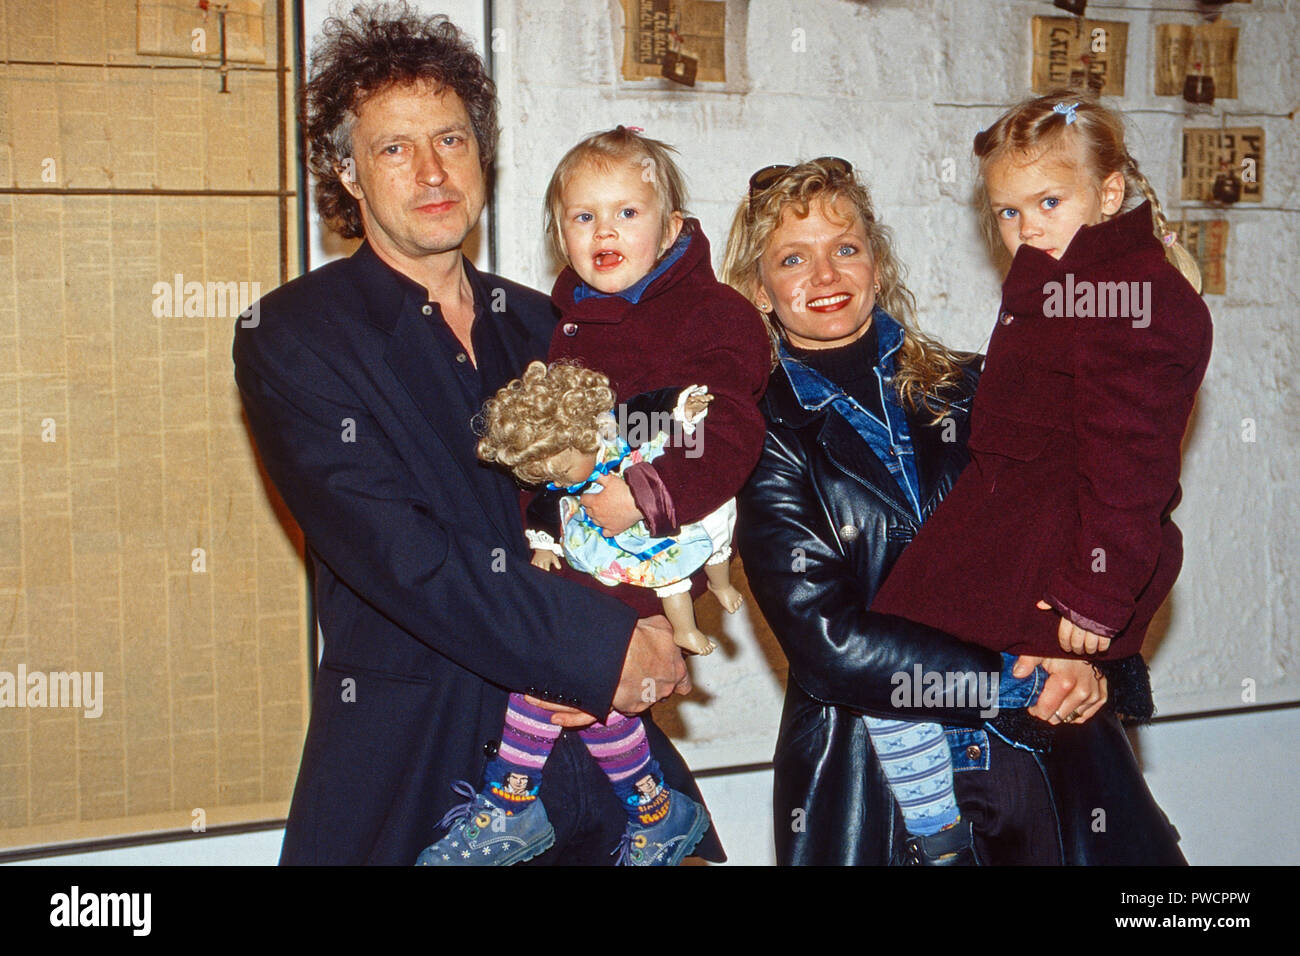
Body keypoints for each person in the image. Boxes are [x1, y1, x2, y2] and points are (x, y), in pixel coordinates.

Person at [232, 3, 721, 865]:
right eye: (394, 148)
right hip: (426, 763)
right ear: (347, 172)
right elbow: (401, 557)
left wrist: (657, 626)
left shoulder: (555, 321)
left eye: (452, 140)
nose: (431, 171)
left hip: (610, 764)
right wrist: (597, 648)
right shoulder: (291, 335)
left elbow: (656, 481)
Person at [722, 157, 1186, 865]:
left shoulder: (983, 385)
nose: (825, 276)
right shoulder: (752, 434)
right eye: (793, 258)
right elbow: (828, 639)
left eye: (846, 249)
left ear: (876, 262)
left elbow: (1118, 504)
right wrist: (1013, 676)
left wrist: (1088, 657)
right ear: (758, 288)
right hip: (879, 780)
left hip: (1047, 752)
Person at [417, 126, 769, 865]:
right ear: (559, 235)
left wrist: (645, 492)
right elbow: (542, 453)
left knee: (557, 675)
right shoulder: (567, 329)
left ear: (672, 227)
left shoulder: (715, 313)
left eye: (627, 213)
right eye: (583, 217)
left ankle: (513, 805)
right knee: (586, 690)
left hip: (663, 540)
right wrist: (538, 538)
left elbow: (729, 429)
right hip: (588, 545)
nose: (603, 231)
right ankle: (652, 812)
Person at [873, 90, 1212, 671]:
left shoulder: (1126, 299)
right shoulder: (1062, 286)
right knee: (899, 683)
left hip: (1056, 581)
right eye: (1009, 212)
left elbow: (1131, 465)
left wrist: (1094, 595)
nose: (1028, 228)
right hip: (1011, 550)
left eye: (1049, 201)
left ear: (1108, 194)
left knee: (938, 702)